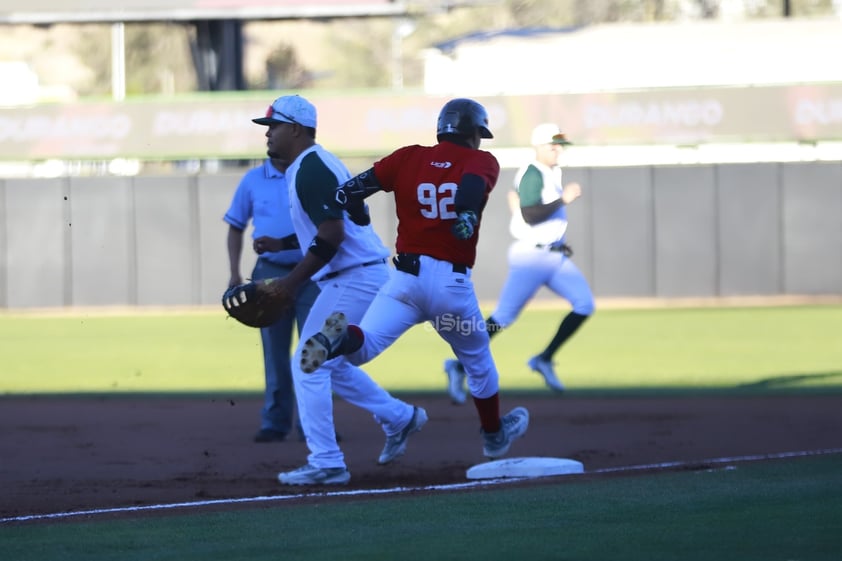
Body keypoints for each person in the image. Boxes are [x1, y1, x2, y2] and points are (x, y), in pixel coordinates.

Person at [300, 98, 530, 460]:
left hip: (404, 281)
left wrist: (360, 213)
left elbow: (346, 193)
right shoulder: (480, 160)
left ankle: (338, 337)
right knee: (478, 360)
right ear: (473, 133)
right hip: (450, 287)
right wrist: (467, 214)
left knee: (364, 347)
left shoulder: (407, 157)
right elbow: (470, 190)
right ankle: (493, 435)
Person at [237, 94, 426, 486]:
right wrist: (282, 244)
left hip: (353, 278)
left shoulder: (311, 168)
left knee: (307, 363)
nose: (267, 134)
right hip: (355, 274)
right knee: (333, 363)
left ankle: (327, 461)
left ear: (296, 128)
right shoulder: (312, 165)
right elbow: (334, 224)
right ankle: (400, 417)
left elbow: (333, 234)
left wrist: (290, 284)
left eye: (273, 126)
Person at [443, 122, 595, 403]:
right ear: (539, 146)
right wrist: (564, 199)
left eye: (560, 144)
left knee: (584, 304)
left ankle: (544, 359)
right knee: (503, 317)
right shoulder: (533, 172)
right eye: (553, 144)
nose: (558, 149)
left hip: (553, 255)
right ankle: (458, 364)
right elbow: (530, 215)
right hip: (531, 257)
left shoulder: (551, 171)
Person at [224, 157, 320, 442]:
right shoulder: (253, 179)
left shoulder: (310, 174)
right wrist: (234, 272)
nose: (269, 135)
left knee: (314, 350)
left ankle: (313, 423)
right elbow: (235, 225)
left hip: (311, 272)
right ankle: (276, 421)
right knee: (274, 351)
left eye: (274, 128)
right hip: (269, 272)